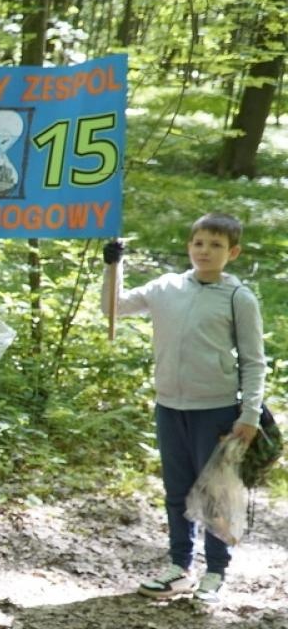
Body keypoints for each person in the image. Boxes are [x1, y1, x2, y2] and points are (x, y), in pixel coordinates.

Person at [102, 213, 265, 603]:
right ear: (189, 246)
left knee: (214, 493)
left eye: (216, 245)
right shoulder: (166, 287)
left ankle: (215, 571)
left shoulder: (237, 297)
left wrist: (250, 414)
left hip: (216, 408)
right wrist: (114, 265)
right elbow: (115, 307)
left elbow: (254, 360)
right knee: (176, 490)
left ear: (233, 252)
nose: (205, 251)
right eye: (199, 243)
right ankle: (179, 566)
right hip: (170, 406)